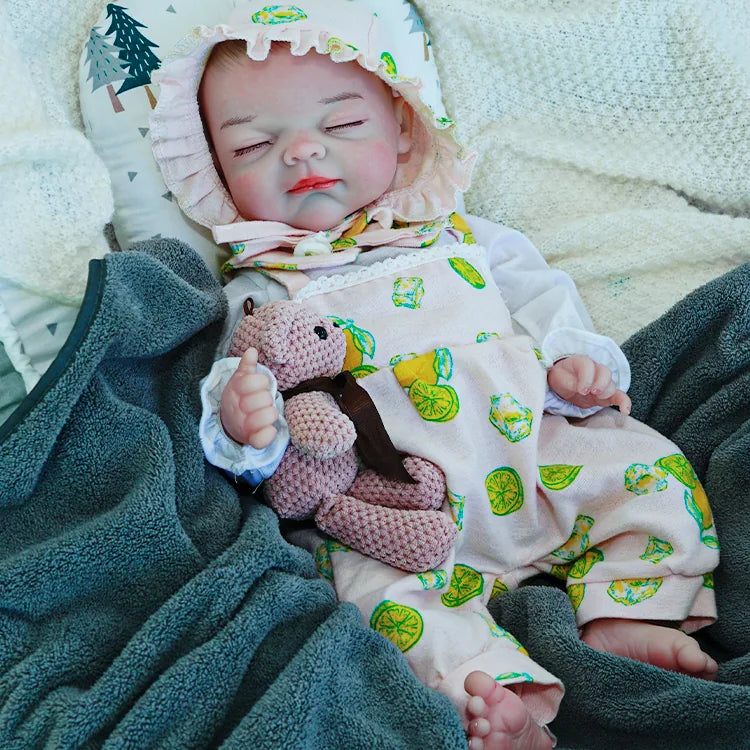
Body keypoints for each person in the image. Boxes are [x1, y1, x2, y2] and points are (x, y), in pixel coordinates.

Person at [150, 2, 719, 747]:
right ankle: (492, 694)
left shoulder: (464, 236)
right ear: (215, 176)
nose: (301, 153)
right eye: (255, 145)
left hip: (528, 443)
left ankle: (625, 614)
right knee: (369, 600)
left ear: (403, 128)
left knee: (644, 465)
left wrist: (574, 364)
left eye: (342, 124)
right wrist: (242, 422)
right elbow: (239, 411)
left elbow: (549, 304)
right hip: (391, 509)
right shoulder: (256, 292)